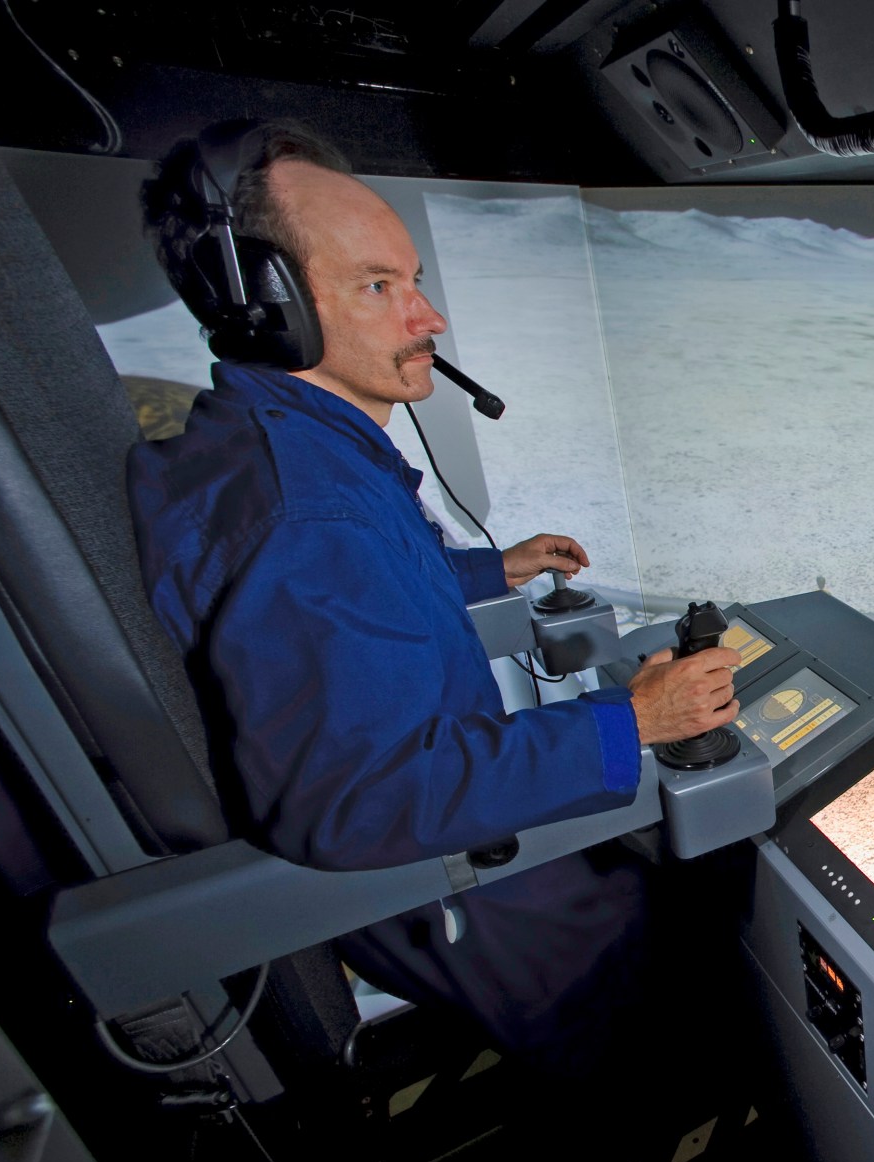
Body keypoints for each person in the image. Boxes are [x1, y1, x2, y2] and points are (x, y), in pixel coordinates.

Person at [129, 122, 740, 1075]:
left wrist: (485, 574)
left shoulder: (273, 448)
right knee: (704, 935)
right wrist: (635, 721)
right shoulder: (313, 516)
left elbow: (338, 616)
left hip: (443, 834)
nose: (430, 318)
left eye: (412, 280)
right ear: (267, 306)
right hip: (444, 883)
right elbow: (357, 800)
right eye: (379, 286)